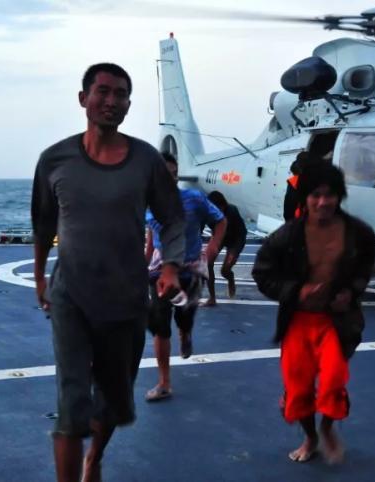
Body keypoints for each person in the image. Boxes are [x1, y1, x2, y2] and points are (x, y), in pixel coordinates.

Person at [31, 63, 185, 482]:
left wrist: (171, 266)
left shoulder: (146, 161)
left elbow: (173, 217)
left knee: (113, 401)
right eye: (102, 91)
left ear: (129, 105)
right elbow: (43, 223)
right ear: (83, 98)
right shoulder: (54, 160)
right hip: (71, 297)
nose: (111, 101)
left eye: (120, 94)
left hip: (126, 300)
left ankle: (94, 457)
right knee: (71, 402)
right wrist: (41, 275)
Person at [252, 163, 375, 464]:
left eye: (329, 195)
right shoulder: (286, 237)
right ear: (305, 198)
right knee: (298, 389)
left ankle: (327, 428)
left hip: (335, 322)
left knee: (333, 380)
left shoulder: (358, 233)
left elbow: (365, 265)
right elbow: (262, 273)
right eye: (315, 195)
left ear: (339, 196)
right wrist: (296, 292)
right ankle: (310, 437)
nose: (322, 202)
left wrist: (351, 292)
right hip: (298, 321)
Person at [145, 153, 227, 400]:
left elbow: (220, 220)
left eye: (173, 174)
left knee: (185, 317)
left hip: (189, 269)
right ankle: (164, 382)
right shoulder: (148, 204)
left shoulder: (194, 199)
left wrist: (213, 247)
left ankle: (186, 332)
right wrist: (143, 266)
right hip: (160, 270)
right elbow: (151, 238)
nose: (169, 179)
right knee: (160, 325)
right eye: (164, 175)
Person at [202, 190, 247, 306]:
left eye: (218, 209)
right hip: (219, 235)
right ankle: (212, 298)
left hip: (236, 238)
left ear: (223, 206)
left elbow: (238, 234)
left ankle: (230, 278)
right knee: (207, 264)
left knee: (225, 270)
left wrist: (232, 253)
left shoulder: (232, 211)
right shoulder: (207, 213)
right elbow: (199, 227)